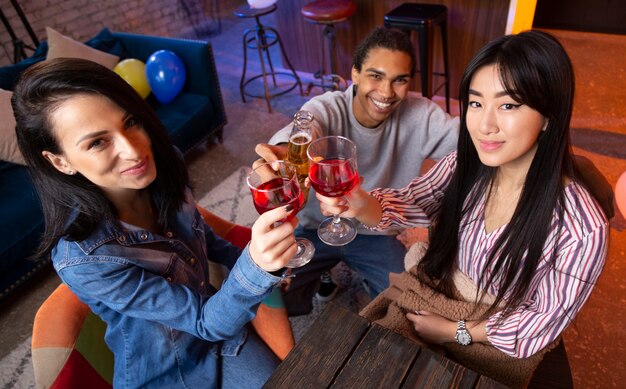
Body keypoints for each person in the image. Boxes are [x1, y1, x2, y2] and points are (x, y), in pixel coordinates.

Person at [317, 30, 608, 387]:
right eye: (475, 102)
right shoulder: (465, 165)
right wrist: (361, 203)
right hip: (441, 294)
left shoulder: (581, 228)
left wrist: (456, 332)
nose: (484, 125)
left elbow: (539, 323)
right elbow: (416, 200)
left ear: (549, 116)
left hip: (495, 331)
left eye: (508, 105)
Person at [12, 58, 299, 388]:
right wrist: (256, 268)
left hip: (222, 334)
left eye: (130, 121)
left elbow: (202, 237)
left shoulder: (165, 167)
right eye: (97, 142)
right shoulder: (84, 259)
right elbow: (205, 322)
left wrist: (265, 265)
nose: (134, 151)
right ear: (60, 161)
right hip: (169, 374)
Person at [255, 27, 460, 315]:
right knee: (272, 299)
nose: (387, 93)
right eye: (375, 76)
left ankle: (361, 273)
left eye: (399, 80)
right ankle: (325, 274)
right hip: (316, 229)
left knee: (404, 308)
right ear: (354, 74)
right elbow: (305, 127)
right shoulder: (327, 107)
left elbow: (475, 139)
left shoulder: (423, 114)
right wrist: (285, 152)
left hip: (376, 232)